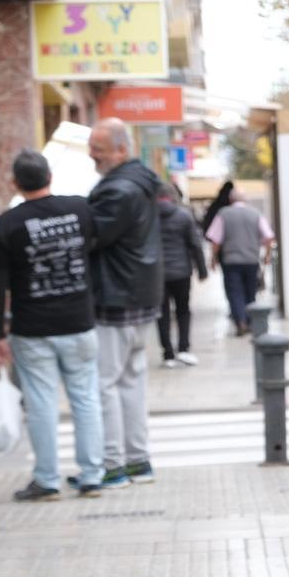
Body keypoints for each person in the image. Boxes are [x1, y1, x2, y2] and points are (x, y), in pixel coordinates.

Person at [0, 150, 104, 501]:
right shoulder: (80, 209)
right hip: (80, 322)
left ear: (15, 183)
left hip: (32, 328)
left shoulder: (6, 225)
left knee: (40, 404)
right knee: (85, 399)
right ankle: (92, 475)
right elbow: (95, 252)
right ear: (50, 176)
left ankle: (48, 480)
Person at [87, 117, 164, 489]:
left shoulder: (117, 190)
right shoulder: (140, 182)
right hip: (141, 292)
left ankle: (114, 465)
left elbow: (93, 236)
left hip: (116, 294)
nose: (92, 156)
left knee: (106, 383)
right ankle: (138, 461)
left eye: (97, 150)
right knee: (131, 380)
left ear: (121, 149)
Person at [205, 188, 275, 336]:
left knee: (234, 292)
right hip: (251, 260)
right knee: (250, 292)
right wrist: (267, 256)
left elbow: (215, 240)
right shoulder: (255, 214)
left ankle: (240, 321)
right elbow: (268, 237)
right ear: (245, 200)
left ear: (231, 200)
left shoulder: (223, 214)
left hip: (231, 261)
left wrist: (213, 259)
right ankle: (249, 320)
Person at [155, 183, 208, 368]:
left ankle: (168, 354)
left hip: (157, 274)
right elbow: (195, 244)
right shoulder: (183, 215)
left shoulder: (149, 218)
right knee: (183, 310)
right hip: (181, 272)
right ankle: (184, 349)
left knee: (162, 313)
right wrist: (202, 270)